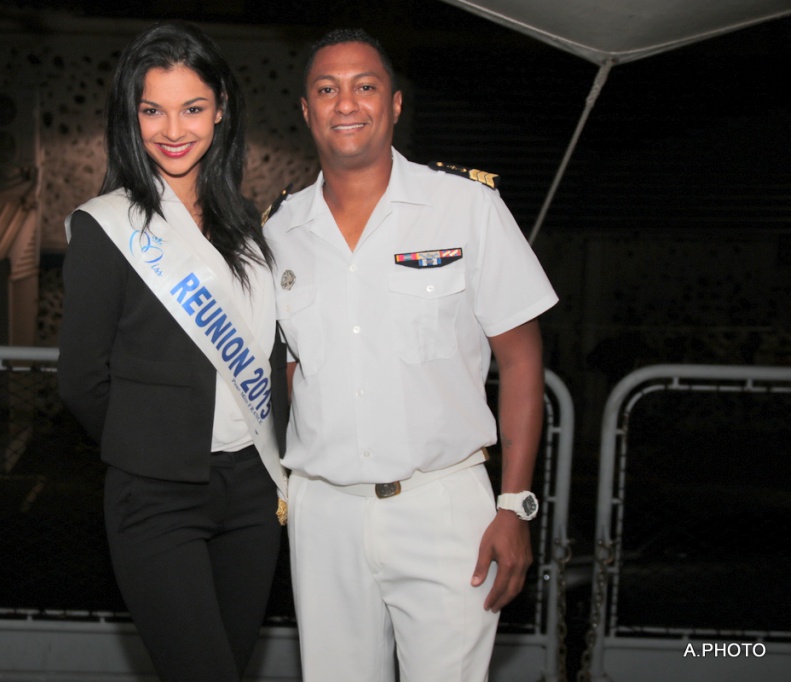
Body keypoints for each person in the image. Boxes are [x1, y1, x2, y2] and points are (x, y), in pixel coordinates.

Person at [264, 28, 558, 681]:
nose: (346, 103)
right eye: (327, 89)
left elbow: (521, 360)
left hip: (443, 507)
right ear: (306, 110)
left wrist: (514, 505)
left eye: (364, 86)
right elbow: (288, 370)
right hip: (324, 514)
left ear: (394, 104)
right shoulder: (278, 230)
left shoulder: (466, 207)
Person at [57, 21, 288, 682]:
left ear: (220, 110)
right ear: (131, 117)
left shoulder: (249, 228)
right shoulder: (108, 227)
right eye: (152, 110)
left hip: (253, 494)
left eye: (191, 108)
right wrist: (146, 446)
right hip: (156, 495)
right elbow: (81, 381)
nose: (172, 129)